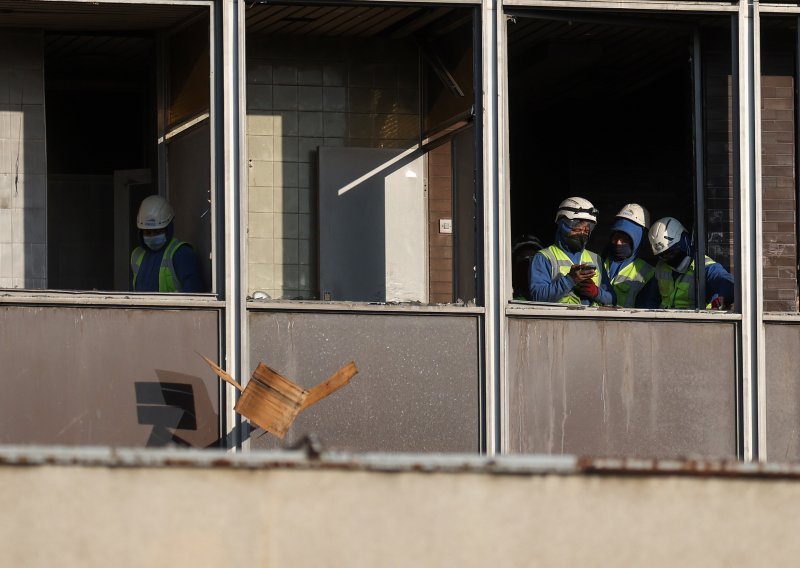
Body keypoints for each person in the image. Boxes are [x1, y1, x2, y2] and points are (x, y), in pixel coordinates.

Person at [529, 197, 614, 306]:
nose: (582, 234)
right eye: (577, 229)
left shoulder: (596, 259)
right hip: (558, 322)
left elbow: (612, 299)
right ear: (563, 225)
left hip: (592, 322)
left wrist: (596, 292)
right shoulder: (544, 257)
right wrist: (570, 279)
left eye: (586, 230)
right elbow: (537, 297)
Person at [648, 216, 734, 309]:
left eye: (671, 252)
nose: (668, 258)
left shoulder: (705, 268)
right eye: (663, 255)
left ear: (684, 241)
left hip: (696, 322)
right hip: (663, 321)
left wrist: (723, 298)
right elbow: (651, 300)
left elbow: (729, 284)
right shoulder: (661, 268)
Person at [130, 195, 204, 293]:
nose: (152, 236)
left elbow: (194, 295)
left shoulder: (182, 254)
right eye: (147, 232)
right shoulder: (137, 255)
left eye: (157, 231)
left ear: (168, 229)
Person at [603, 203, 659, 309]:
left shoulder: (648, 274)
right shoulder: (597, 263)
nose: (618, 243)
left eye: (625, 239)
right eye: (615, 238)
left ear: (637, 241)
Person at [511, 233, 544, 300]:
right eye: (523, 256)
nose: (528, 260)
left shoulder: (546, 293)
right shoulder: (507, 293)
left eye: (533, 257)